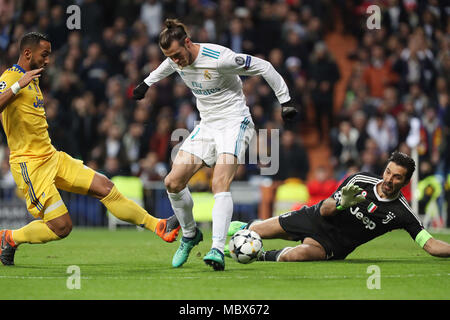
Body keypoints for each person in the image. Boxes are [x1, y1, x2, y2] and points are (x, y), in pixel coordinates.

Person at [0, 32, 180, 266]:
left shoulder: (32, 79)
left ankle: (158, 225)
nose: (47, 60)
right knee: (62, 227)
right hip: (29, 165)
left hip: (51, 156)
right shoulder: (11, 77)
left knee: (105, 186)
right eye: (44, 55)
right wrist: (16, 87)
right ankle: (9, 237)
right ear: (27, 53)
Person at [133, 19, 297, 271]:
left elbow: (264, 66)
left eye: (178, 55)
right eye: (171, 57)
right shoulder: (175, 60)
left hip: (234, 123)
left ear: (188, 42)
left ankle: (217, 248)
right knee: (172, 182)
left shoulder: (220, 58)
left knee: (218, 182)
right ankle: (189, 234)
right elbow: (167, 65)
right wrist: (147, 83)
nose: (176, 61)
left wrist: (284, 101)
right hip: (207, 126)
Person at [227, 152, 450, 262]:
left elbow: (429, 245)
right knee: (256, 230)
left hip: (332, 245)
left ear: (406, 181)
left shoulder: (402, 212)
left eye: (397, 177)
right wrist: (343, 202)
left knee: (295, 256)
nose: (389, 179)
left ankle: (259, 255)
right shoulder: (360, 180)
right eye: (388, 172)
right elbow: (325, 209)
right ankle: (236, 230)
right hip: (314, 218)